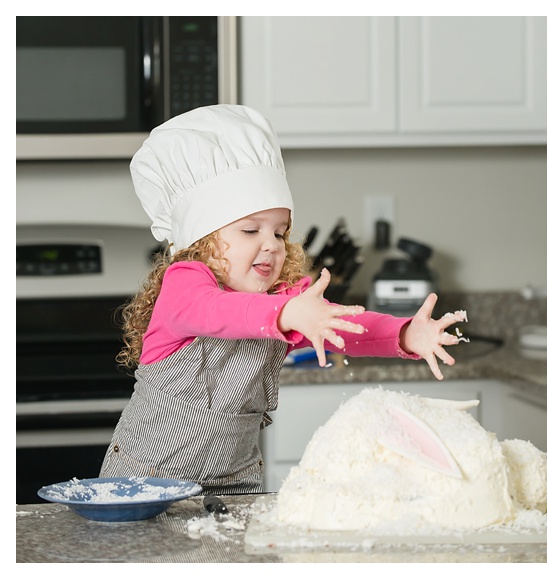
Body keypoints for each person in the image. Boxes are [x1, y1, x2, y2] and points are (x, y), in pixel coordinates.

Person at [100, 104, 466, 495]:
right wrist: (290, 312)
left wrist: (404, 334)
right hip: (144, 478)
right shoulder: (184, 285)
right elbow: (220, 312)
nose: (270, 245)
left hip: (234, 482)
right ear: (201, 241)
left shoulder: (283, 302)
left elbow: (344, 326)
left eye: (279, 232)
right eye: (250, 230)